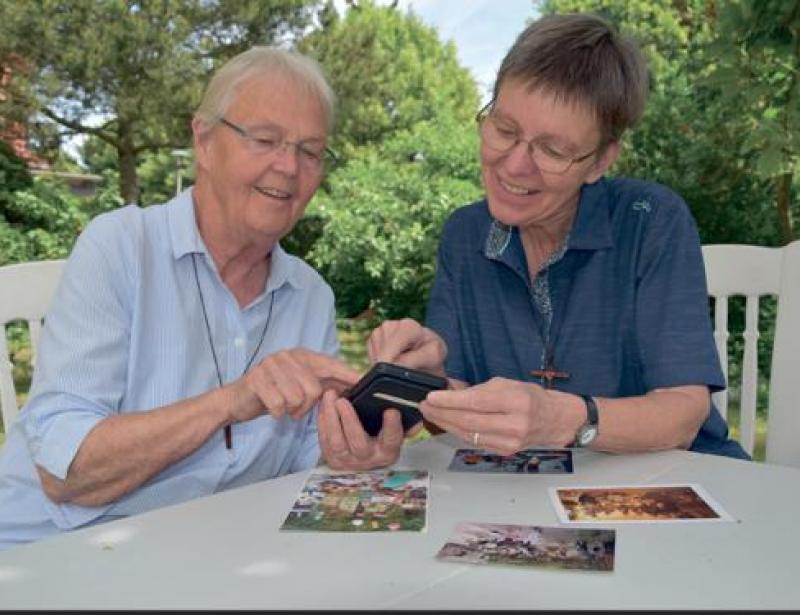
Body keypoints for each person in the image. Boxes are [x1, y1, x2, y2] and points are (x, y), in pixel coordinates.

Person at [0, 47, 406, 552]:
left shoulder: (310, 296)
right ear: (205, 141)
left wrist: (350, 449)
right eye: (265, 139)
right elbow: (66, 474)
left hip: (199, 555)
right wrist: (231, 401)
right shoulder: (121, 247)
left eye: (310, 150)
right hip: (48, 559)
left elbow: (305, 462)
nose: (289, 167)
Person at [367, 13, 747, 460]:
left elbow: (683, 415)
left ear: (601, 161)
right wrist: (426, 380)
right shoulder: (464, 234)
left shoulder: (651, 220)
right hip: (530, 505)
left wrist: (563, 419)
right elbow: (456, 410)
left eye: (552, 150)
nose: (513, 166)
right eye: (504, 130)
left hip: (678, 487)